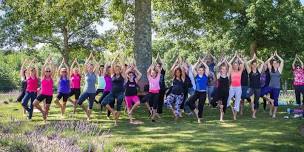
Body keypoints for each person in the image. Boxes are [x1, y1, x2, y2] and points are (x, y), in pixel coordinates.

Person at [101, 60, 126, 126]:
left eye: (118, 69)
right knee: (103, 102)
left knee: (118, 107)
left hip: (120, 93)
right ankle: (112, 111)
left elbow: (123, 65)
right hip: (112, 92)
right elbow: (112, 65)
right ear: (114, 70)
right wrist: (114, 59)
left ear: (120, 70)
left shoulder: (122, 75)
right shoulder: (112, 75)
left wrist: (121, 57)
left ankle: (116, 122)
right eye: (116, 69)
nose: (117, 70)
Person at [186, 58, 209, 123]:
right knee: (189, 101)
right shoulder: (196, 76)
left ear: (203, 71)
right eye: (199, 70)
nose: (200, 71)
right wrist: (197, 61)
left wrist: (202, 62)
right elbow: (193, 69)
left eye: (202, 70)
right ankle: (195, 110)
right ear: (198, 71)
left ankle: (199, 118)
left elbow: (207, 68)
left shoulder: (205, 75)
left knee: (200, 106)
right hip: (197, 92)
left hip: (203, 93)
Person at [77, 52, 98, 120]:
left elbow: (97, 65)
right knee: (79, 102)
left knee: (90, 105)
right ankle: (86, 111)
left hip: (93, 92)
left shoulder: (95, 74)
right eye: (89, 67)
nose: (90, 68)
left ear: (93, 68)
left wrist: (93, 58)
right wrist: (89, 57)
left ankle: (88, 117)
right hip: (86, 91)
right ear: (88, 68)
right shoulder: (86, 73)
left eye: (92, 67)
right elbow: (85, 65)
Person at [33, 57, 55, 122]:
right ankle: (42, 112)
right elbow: (42, 68)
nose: (48, 72)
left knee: (47, 108)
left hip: (49, 95)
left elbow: (53, 69)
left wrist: (51, 63)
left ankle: (45, 120)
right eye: (46, 71)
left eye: (49, 71)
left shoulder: (52, 77)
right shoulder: (42, 77)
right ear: (44, 72)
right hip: (42, 94)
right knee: (34, 103)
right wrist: (46, 62)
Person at [264, 51, 284, 118]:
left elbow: (282, 60)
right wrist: (272, 57)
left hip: (276, 88)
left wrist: (277, 55)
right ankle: (270, 101)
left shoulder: (279, 70)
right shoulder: (270, 70)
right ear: (272, 64)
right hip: (270, 87)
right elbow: (266, 63)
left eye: (276, 63)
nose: (275, 64)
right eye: (274, 63)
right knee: (262, 93)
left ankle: (274, 113)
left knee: (275, 101)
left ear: (278, 64)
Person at [227, 53, 245, 120]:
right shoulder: (231, 71)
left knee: (237, 101)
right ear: (233, 66)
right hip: (232, 87)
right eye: (234, 65)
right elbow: (229, 63)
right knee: (228, 99)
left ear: (238, 66)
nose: (235, 66)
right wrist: (234, 56)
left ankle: (234, 116)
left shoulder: (240, 71)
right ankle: (230, 106)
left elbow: (243, 63)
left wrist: (238, 57)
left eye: (236, 65)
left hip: (238, 88)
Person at [245, 54, 264, 118]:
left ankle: (254, 114)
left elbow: (263, 63)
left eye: (256, 65)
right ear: (251, 65)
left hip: (258, 88)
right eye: (253, 65)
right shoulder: (249, 71)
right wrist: (253, 59)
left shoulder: (259, 71)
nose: (254, 66)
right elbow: (246, 63)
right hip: (251, 88)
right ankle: (251, 104)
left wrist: (257, 58)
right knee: (247, 96)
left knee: (256, 101)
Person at [213, 57, 230, 121]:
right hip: (219, 92)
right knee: (221, 105)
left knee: (224, 105)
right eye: (222, 69)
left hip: (226, 92)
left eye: (225, 69)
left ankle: (222, 116)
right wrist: (220, 63)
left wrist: (226, 61)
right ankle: (221, 118)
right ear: (221, 69)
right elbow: (216, 68)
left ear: (226, 70)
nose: (224, 70)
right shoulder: (218, 75)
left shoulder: (228, 75)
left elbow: (230, 66)